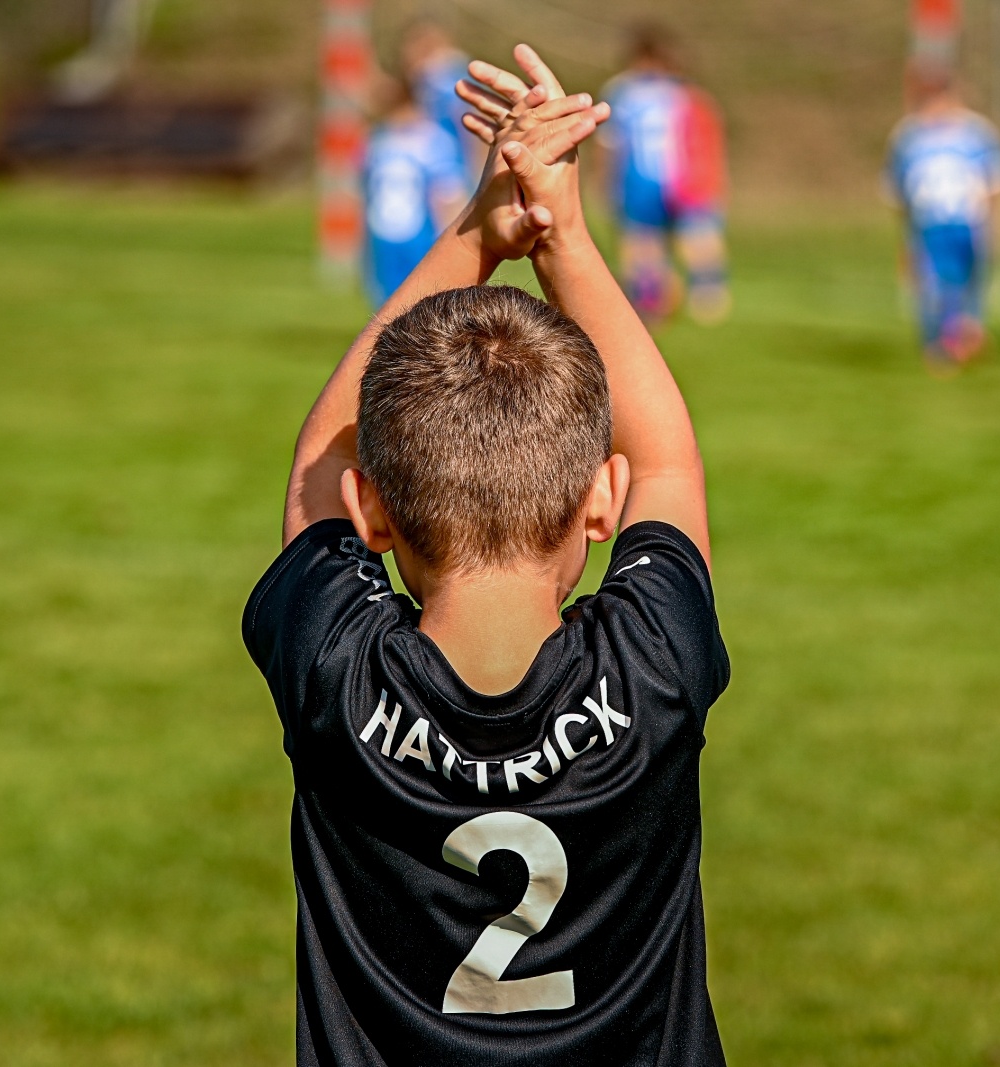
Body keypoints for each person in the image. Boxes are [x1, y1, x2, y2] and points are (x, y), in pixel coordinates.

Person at [244, 43, 730, 1067]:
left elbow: (314, 471)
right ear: (602, 499)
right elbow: (671, 463)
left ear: (373, 512)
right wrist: (565, 237)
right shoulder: (653, 670)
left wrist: (476, 231)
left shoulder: (337, 674)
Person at [598, 24, 730, 325]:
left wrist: (607, 180)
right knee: (697, 235)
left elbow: (609, 143)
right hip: (686, 178)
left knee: (643, 241)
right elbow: (708, 137)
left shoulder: (621, 92)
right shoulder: (685, 93)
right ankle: (707, 297)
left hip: (640, 178)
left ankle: (651, 302)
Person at [884, 60, 1000, 373]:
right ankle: (940, 347)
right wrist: (905, 240)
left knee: (967, 289)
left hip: (968, 226)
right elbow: (899, 195)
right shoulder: (907, 137)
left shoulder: (977, 133)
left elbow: (994, 185)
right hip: (928, 229)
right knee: (932, 290)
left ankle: (963, 339)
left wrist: (999, 226)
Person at [361, 75, 469, 307]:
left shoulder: (433, 140)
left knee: (423, 302)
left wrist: (448, 238)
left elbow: (448, 192)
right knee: (387, 304)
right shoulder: (379, 139)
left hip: (421, 235)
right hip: (383, 233)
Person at [400, 19, 484, 176]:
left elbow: (475, 126)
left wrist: (477, 174)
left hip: (452, 170)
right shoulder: (434, 80)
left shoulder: (445, 80)